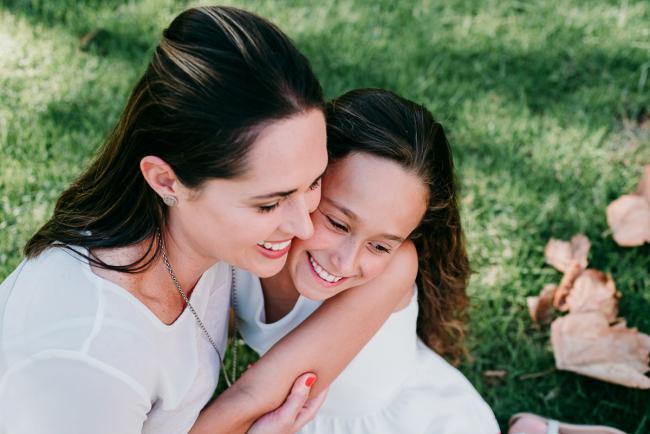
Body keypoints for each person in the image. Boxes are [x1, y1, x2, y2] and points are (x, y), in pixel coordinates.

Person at [0, 7, 411, 434]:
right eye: (268, 204)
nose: (305, 227)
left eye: (312, 183)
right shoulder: (87, 358)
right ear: (167, 181)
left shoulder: (197, 245)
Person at [233, 88, 500, 434]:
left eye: (379, 246)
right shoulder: (252, 237)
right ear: (309, 179)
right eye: (337, 223)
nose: (345, 264)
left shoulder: (397, 268)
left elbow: (254, 396)